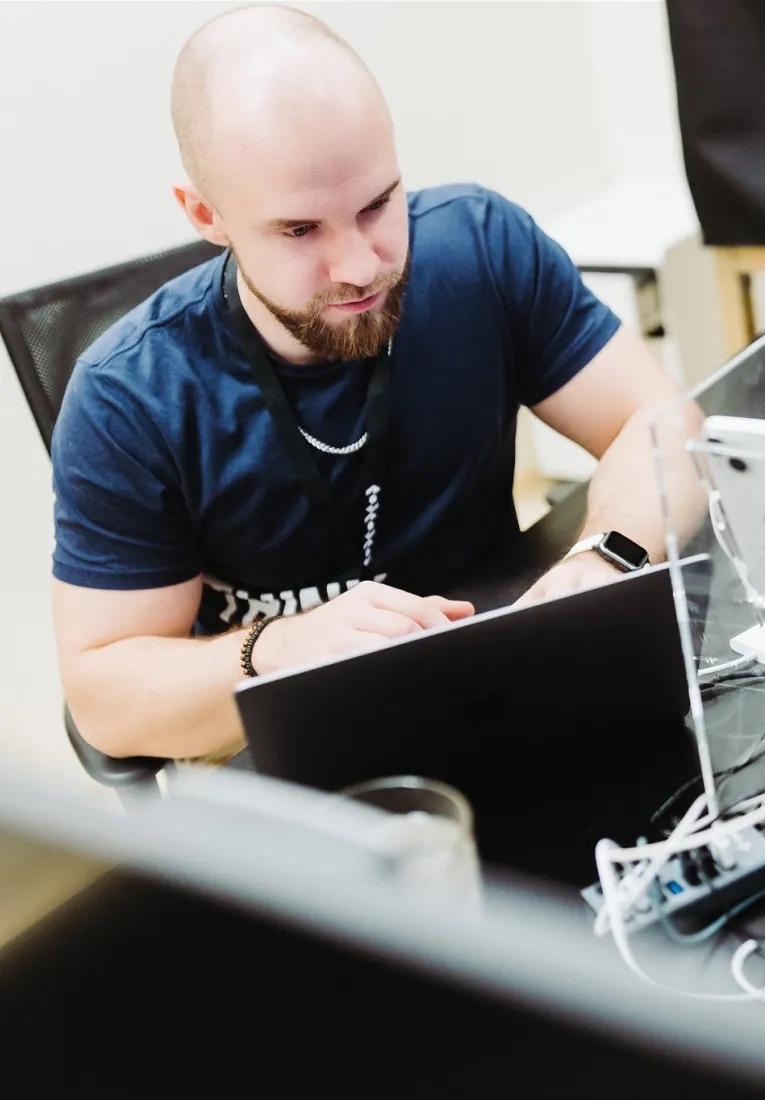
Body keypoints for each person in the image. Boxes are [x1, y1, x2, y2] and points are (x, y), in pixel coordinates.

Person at [50, 4, 694, 763]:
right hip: (301, 751)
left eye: (378, 204)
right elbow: (105, 701)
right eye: (299, 230)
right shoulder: (131, 397)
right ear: (206, 214)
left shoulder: (481, 251)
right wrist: (280, 650)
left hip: (510, 684)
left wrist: (606, 559)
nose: (359, 265)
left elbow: (662, 421)